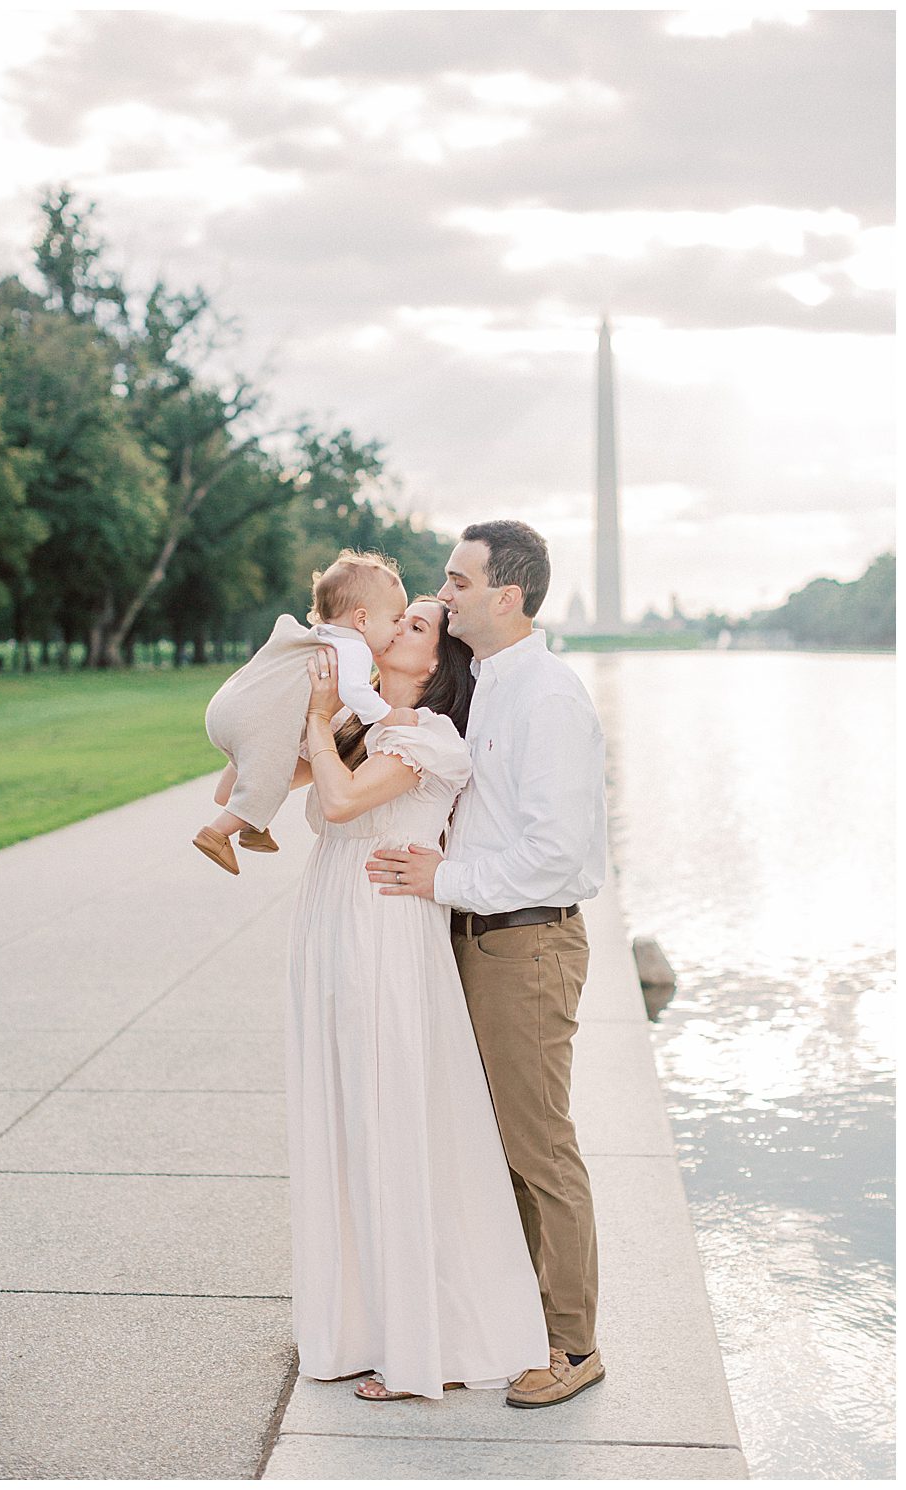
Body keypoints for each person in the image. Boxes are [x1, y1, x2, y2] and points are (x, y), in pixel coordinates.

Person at [366, 521, 607, 1410]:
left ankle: (574, 1345)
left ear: (507, 596)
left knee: (538, 1149)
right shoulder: (484, 686)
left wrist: (443, 878)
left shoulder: (547, 697)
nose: (444, 592)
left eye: (458, 579)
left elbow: (556, 851)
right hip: (469, 936)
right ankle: (502, 1327)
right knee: (483, 1147)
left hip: (527, 940)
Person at [286, 597, 550, 1402]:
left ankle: (421, 1346)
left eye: (418, 626)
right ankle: (361, 1322)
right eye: (397, 618)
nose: (397, 627)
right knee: (345, 1118)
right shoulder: (366, 728)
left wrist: (321, 722)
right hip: (332, 926)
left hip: (384, 934)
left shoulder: (430, 739)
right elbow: (259, 770)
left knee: (391, 1116)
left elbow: (338, 804)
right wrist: (305, 705)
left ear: (437, 665)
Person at [193, 551, 416, 875]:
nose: (398, 629)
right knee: (269, 778)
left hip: (225, 710)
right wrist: (390, 717)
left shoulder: (321, 637)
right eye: (396, 620)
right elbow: (356, 692)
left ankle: (253, 826)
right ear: (363, 620)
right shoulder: (354, 646)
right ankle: (216, 834)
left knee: (266, 773)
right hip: (257, 722)